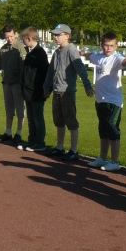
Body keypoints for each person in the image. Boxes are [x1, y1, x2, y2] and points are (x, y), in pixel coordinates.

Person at [81, 32, 126, 172]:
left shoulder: (116, 58)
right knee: (103, 129)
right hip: (100, 100)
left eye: (112, 46)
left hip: (114, 102)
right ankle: (102, 157)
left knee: (113, 129)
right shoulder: (98, 57)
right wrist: (81, 53)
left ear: (116, 46)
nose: (108, 48)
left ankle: (114, 161)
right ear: (101, 45)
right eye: (106, 45)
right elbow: (89, 55)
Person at [43, 23, 95, 161]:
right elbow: (50, 72)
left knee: (71, 120)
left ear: (67, 36)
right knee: (58, 120)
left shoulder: (71, 50)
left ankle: (73, 150)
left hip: (67, 91)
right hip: (56, 91)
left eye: (58, 35)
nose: (55, 38)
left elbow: (80, 69)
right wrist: (47, 88)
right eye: (54, 35)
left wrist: (87, 85)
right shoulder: (57, 52)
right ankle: (60, 147)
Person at [0, 25, 26, 144]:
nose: (9, 39)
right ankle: (8, 132)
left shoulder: (20, 48)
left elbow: (24, 67)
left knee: (20, 110)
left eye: (11, 36)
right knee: (9, 110)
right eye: (7, 37)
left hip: (17, 83)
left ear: (15, 34)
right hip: (6, 82)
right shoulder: (3, 49)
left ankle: (19, 133)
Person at [18, 27, 49, 152]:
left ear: (29, 39)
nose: (23, 42)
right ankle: (32, 140)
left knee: (37, 117)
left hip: (37, 91)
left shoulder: (40, 54)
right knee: (31, 117)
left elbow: (44, 72)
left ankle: (39, 142)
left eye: (24, 40)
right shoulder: (31, 53)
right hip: (28, 90)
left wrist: (45, 89)